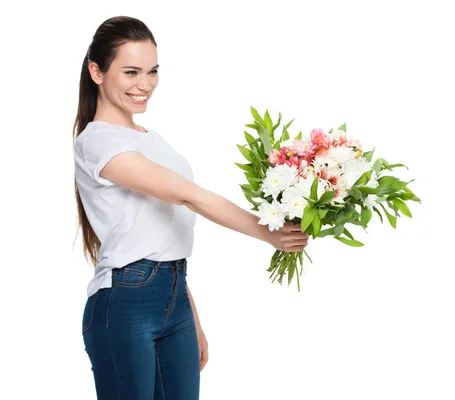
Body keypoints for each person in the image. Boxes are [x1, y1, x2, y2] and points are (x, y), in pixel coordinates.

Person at [73, 16, 309, 399]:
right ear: (97, 72)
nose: (145, 85)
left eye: (152, 71)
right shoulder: (97, 141)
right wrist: (268, 234)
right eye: (131, 72)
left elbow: (164, 232)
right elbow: (188, 196)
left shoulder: (153, 140)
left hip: (174, 296)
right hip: (126, 301)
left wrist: (189, 313)